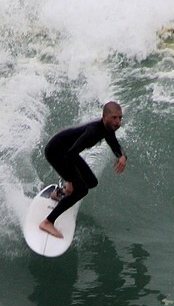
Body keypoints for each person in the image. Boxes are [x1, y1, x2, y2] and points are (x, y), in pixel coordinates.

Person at [39, 101, 128, 238]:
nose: (118, 122)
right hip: (56, 152)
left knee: (91, 182)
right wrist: (70, 180)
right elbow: (70, 155)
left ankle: (59, 193)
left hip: (68, 152)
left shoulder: (107, 129)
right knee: (81, 190)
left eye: (120, 118)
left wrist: (122, 156)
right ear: (104, 117)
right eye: (114, 117)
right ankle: (47, 222)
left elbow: (114, 144)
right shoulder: (93, 132)